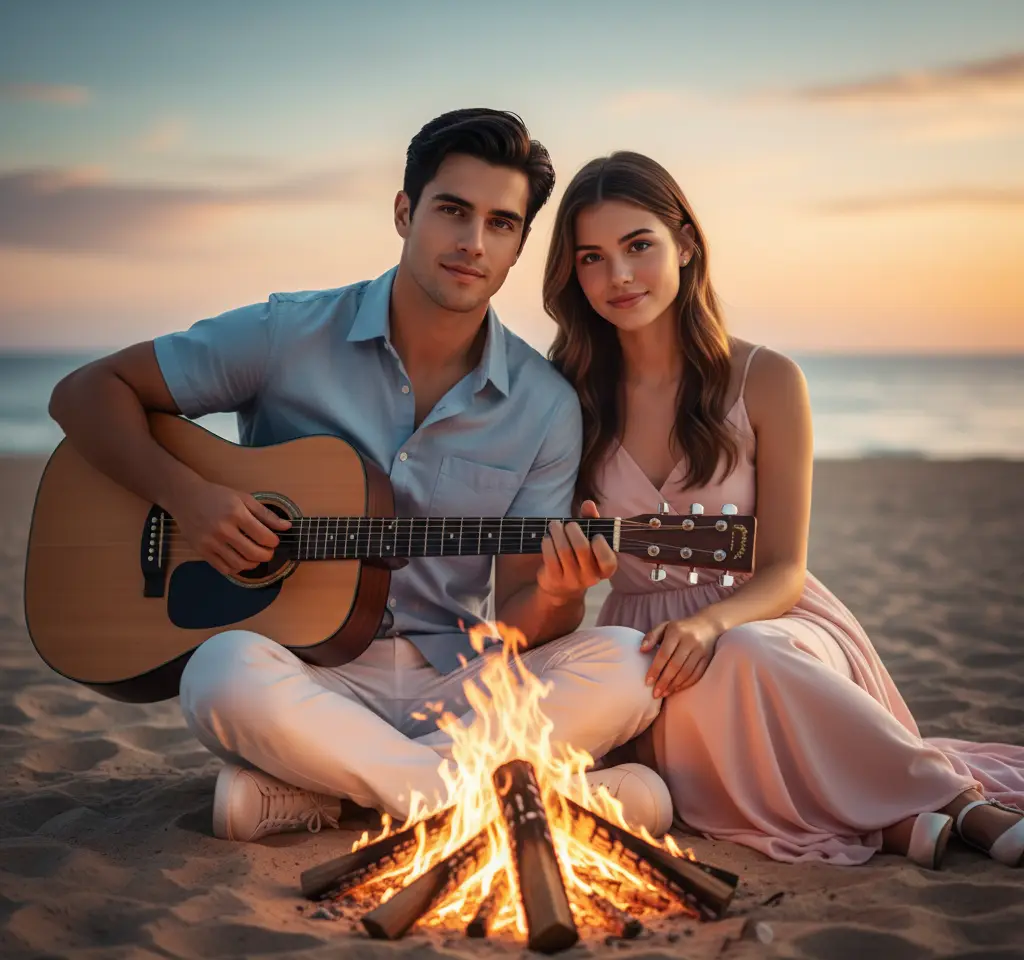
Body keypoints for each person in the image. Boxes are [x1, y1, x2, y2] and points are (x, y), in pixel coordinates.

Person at [48, 110, 673, 842]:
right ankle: (496, 802)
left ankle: (333, 797)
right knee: (219, 672)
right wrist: (188, 498)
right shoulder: (288, 334)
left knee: (630, 663)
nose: (473, 243)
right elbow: (84, 394)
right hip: (304, 675)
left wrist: (563, 597)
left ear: (518, 247)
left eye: (501, 224)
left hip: (458, 680)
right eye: (452, 211)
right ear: (405, 212)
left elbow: (518, 628)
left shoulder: (545, 406)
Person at [542, 150, 1024, 869]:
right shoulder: (566, 400)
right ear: (572, 274)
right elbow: (553, 599)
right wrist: (569, 581)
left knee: (740, 654)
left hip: (772, 622)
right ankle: (890, 822)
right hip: (643, 642)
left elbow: (785, 571)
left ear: (685, 242)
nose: (617, 276)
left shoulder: (766, 379)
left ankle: (955, 800)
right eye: (591, 257)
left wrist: (709, 624)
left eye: (638, 245)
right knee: (681, 686)